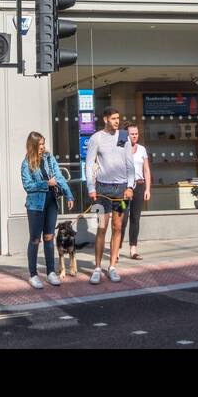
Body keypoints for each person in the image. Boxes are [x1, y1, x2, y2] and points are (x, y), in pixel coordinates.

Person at [85, 107, 135, 284]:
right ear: (105, 119)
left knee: (118, 226)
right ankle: (97, 267)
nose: (117, 121)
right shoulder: (96, 138)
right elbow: (89, 164)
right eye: (113, 118)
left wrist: (130, 187)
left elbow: (130, 164)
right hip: (101, 191)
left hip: (121, 191)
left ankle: (112, 266)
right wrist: (91, 187)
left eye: (118, 118)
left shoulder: (123, 136)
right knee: (101, 227)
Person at [21, 131, 74, 289]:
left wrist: (69, 194)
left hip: (51, 202)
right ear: (33, 145)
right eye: (40, 144)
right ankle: (33, 274)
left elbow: (59, 177)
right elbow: (28, 186)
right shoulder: (26, 163)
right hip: (35, 205)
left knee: (49, 238)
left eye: (44, 144)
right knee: (35, 239)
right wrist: (46, 184)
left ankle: (51, 272)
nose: (43, 147)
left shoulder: (50, 158)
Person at [120, 120, 151, 259]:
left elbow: (146, 170)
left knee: (135, 218)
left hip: (139, 186)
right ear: (126, 135)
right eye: (132, 134)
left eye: (136, 134)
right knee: (122, 218)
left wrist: (147, 189)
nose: (134, 136)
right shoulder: (121, 149)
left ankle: (133, 249)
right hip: (124, 189)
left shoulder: (142, 149)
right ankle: (117, 249)